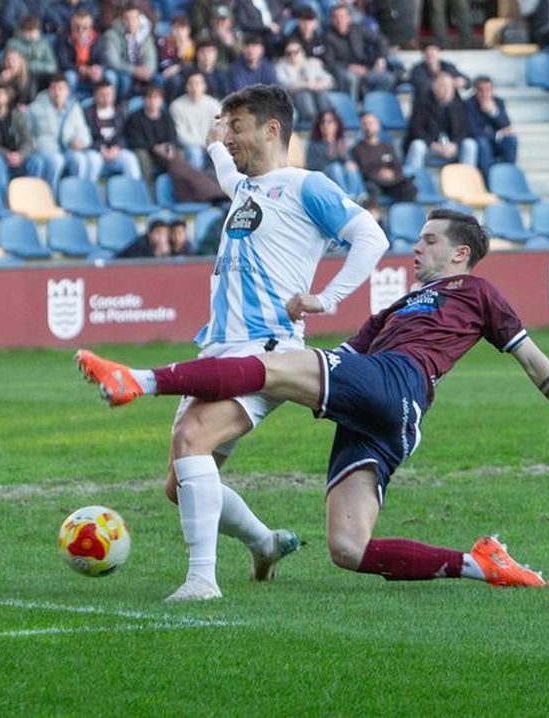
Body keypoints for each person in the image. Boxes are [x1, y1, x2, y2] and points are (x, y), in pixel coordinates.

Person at [77, 208, 549, 593]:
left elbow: (534, 361)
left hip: (398, 384)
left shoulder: (479, 292)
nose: (416, 248)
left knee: (275, 366)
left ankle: (138, 380)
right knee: (348, 549)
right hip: (381, 410)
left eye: (428, 240)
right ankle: (482, 564)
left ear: (460, 253)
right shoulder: (396, 308)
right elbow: (342, 358)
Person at [92, 84, 391, 602]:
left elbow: (372, 237)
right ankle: (264, 542)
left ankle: (201, 581)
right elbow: (229, 177)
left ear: (272, 130)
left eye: (238, 127)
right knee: (180, 485)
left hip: (265, 351)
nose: (229, 136)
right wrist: (213, 144)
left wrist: (327, 297)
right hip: (219, 349)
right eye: (226, 127)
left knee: (192, 438)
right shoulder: (248, 189)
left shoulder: (306, 185)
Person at [28, 74, 102, 185]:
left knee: (87, 159)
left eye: (61, 88)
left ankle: (79, 192)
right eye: (53, 88)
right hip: (45, 150)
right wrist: (34, 146)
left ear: (67, 91)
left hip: (68, 149)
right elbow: (26, 133)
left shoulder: (74, 108)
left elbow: (83, 130)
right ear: (48, 90)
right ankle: (50, 194)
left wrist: (81, 141)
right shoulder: (36, 107)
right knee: (57, 161)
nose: (57, 92)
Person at [404, 70, 478, 174]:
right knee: (417, 145)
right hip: (430, 148)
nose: (447, 90)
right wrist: (434, 145)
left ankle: (467, 179)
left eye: (450, 87)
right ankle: (413, 179)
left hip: (451, 149)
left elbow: (465, 130)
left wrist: (455, 144)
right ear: (434, 87)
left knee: (470, 145)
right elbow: (416, 130)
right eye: (443, 86)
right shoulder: (421, 103)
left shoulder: (459, 104)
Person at [0, 83, 47, 193]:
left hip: (19, 155)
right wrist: (7, 154)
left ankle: (30, 195)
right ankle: (3, 197)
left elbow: (28, 140)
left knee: (37, 162)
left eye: (1, 94)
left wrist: (21, 154)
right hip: (0, 155)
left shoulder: (17, 115)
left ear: (7, 96)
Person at [351, 112, 417, 202]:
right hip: (373, 183)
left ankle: (400, 210)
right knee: (370, 190)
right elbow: (362, 171)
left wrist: (391, 173)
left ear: (378, 125)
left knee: (410, 189)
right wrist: (378, 173)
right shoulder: (357, 149)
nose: (368, 127)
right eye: (365, 124)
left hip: (392, 182)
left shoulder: (387, 147)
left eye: (371, 123)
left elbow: (397, 166)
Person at [85, 79, 143, 180]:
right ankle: (88, 188)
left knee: (130, 159)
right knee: (93, 160)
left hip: (115, 150)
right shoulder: (87, 113)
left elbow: (125, 134)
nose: (106, 98)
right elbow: (86, 136)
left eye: (109, 94)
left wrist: (117, 147)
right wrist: (101, 149)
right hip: (96, 151)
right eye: (102, 94)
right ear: (95, 95)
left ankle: (133, 188)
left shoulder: (120, 111)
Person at [169, 70, 223, 168]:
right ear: (186, 87)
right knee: (195, 153)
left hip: (211, 145)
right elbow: (180, 135)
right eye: (191, 84)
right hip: (189, 147)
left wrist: (212, 143)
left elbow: (220, 129)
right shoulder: (176, 106)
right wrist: (204, 144)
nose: (194, 87)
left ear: (204, 86)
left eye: (198, 84)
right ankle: (196, 178)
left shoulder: (214, 105)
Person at [465, 75, 518, 172]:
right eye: (481, 91)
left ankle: (509, 172)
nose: (485, 94)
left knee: (511, 140)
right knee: (482, 142)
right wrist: (497, 134)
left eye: (488, 90)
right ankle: (487, 176)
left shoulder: (498, 102)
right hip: (480, 141)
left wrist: (493, 112)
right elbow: (472, 130)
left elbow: (506, 125)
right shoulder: (469, 104)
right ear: (475, 91)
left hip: (495, 141)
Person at [274, 38, 334, 125]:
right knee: (303, 95)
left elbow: (329, 79)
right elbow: (284, 84)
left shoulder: (312, 63)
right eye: (289, 53)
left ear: (302, 52)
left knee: (322, 93)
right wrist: (306, 85)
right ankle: (314, 122)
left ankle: (327, 119)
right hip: (293, 98)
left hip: (315, 95)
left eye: (296, 52)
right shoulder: (280, 67)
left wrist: (319, 84)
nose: (292, 55)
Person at [125, 83, 177, 179]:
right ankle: (146, 185)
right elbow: (134, 140)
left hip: (163, 150)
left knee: (178, 154)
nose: (152, 101)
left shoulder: (166, 117)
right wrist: (154, 147)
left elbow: (172, 136)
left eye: (156, 98)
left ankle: (178, 185)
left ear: (161, 100)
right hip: (146, 150)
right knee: (141, 155)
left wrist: (169, 147)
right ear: (143, 100)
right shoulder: (135, 118)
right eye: (149, 98)